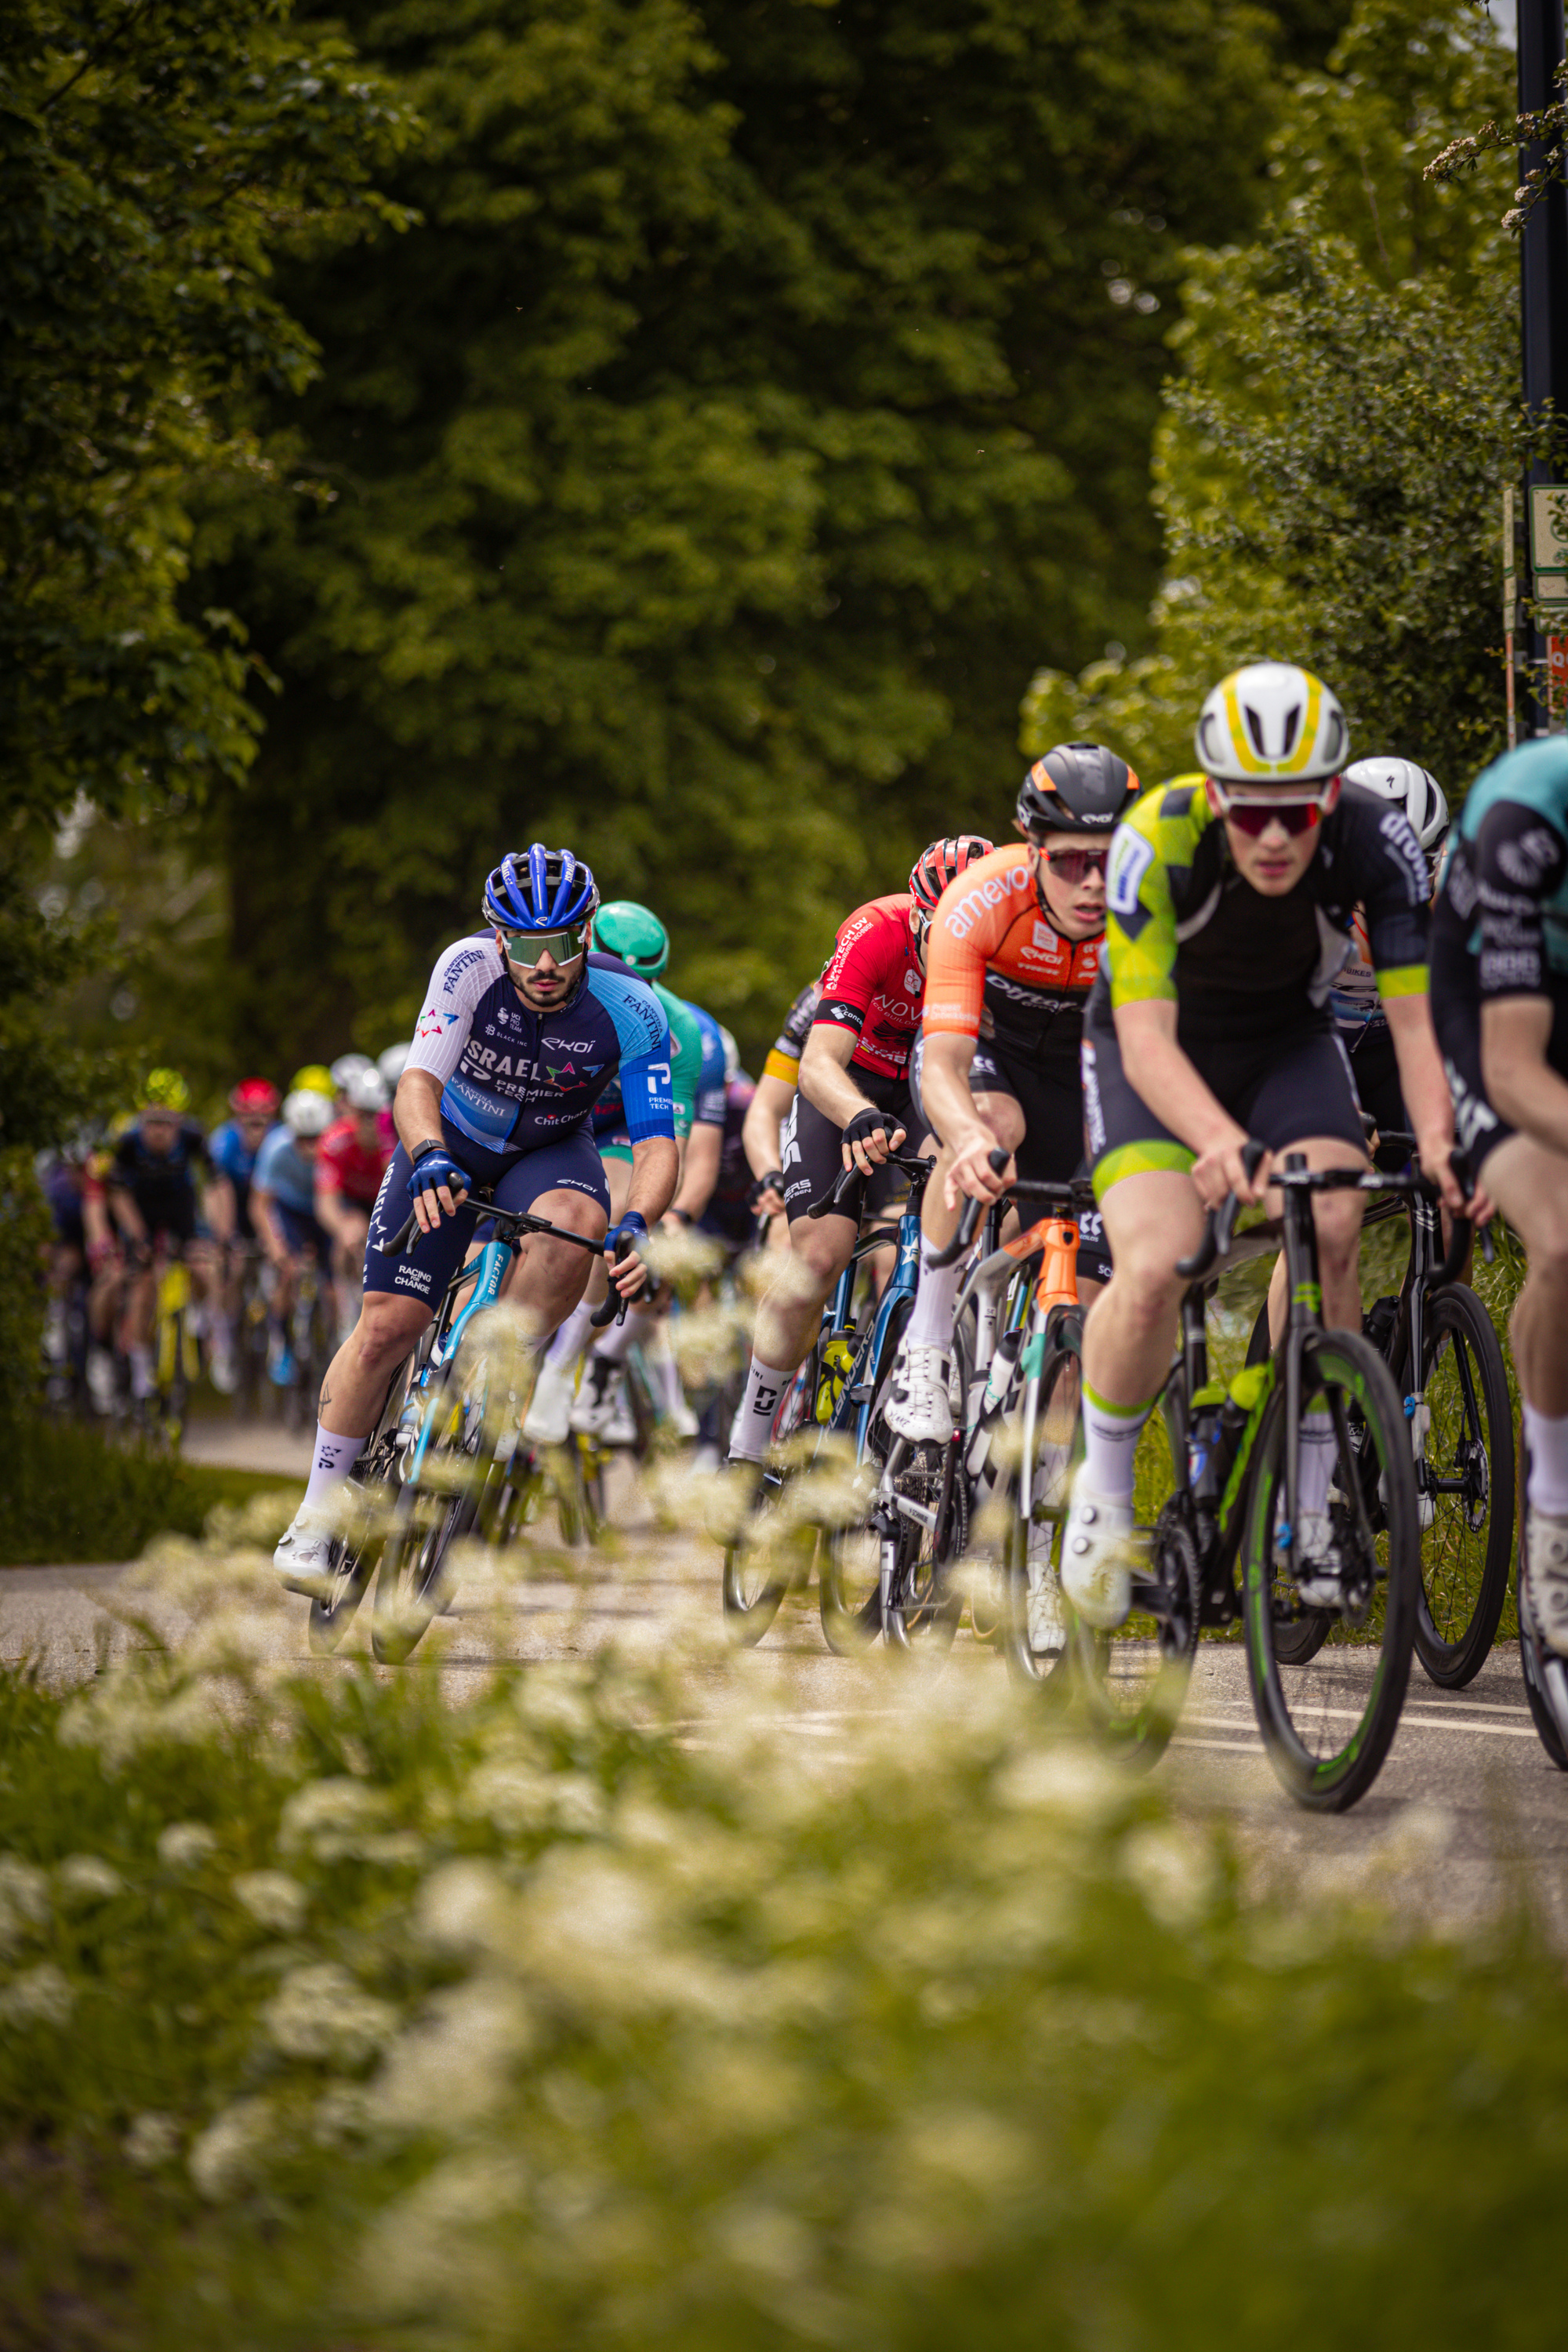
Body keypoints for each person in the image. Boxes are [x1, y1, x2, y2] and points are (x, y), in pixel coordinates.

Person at [1062, 662, 1464, 1630]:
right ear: (1212, 794)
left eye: (1297, 810)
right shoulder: (1156, 838)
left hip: (1289, 1043)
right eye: (1248, 814)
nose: (1274, 836)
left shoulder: (1378, 844)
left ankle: (1310, 1507)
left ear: (1333, 793)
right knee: (1157, 1265)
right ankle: (1103, 1497)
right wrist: (1215, 1141)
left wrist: (1447, 1146)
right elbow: (1148, 1041)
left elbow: (1416, 1029)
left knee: (1330, 1221)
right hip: (1150, 1047)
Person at [272, 844, 678, 1588]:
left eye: (559, 944)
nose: (544, 963)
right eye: (525, 946)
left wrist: (640, 1220)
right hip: (449, 1143)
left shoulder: (632, 1008)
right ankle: (318, 1512)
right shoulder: (466, 968)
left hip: (550, 1152)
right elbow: (418, 1082)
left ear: (585, 934)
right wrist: (427, 1152)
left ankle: (496, 1381)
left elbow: (656, 1142)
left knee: (577, 1230)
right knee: (387, 1327)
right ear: (499, 939)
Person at [887, 747, 1135, 1441]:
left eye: (1109, 861)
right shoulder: (982, 900)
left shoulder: (1150, 912)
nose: (1091, 885)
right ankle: (928, 1347)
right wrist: (964, 1138)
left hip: (1084, 1071)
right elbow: (942, 1064)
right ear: (1033, 849)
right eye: (1068, 861)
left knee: (1082, 1316)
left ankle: (1037, 1514)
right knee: (990, 1123)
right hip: (993, 1060)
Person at [724, 837, 991, 1468]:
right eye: (942, 934)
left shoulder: (996, 957)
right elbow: (817, 1065)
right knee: (818, 1256)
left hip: (930, 1085)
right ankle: (751, 1434)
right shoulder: (876, 930)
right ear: (920, 918)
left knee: (949, 1218)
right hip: (854, 1084)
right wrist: (856, 1115)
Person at [1430, 735, 1568, 1649]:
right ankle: (1550, 1521)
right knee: (1560, 1241)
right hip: (1494, 1027)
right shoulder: (1524, 813)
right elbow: (1513, 1072)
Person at [525, 900, 725, 1445]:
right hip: (551, 1115)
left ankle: (563, 1367)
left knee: (615, 1220)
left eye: (647, 982)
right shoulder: (541, 992)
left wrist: (660, 1218)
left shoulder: (683, 1033)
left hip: (615, 1130)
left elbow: (672, 1148)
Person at [99, 1071, 217, 1408]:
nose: (159, 1131)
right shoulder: (126, 1143)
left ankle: (200, 1324)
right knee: (143, 1287)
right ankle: (140, 1375)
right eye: (151, 1122)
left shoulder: (194, 1138)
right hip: (141, 1215)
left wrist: (216, 1231)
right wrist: (138, 1237)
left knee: (203, 1266)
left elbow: (214, 1184)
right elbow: (118, 1195)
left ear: (179, 1120)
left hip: (182, 1213)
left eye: (167, 1123)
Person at [252, 1088, 336, 1385]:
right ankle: (282, 1344)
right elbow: (259, 1204)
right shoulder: (275, 1148)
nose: (311, 1148)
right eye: (303, 1139)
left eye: (317, 1139)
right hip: (291, 1212)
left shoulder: (337, 1147)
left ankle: (336, 1338)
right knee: (287, 1271)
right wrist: (276, 1249)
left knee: (333, 1282)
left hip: (324, 1209)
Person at [205, 1077, 281, 1391]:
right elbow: (216, 1192)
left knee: (279, 1266)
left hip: (269, 1210)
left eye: (262, 1119)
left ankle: (278, 1337)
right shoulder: (222, 1142)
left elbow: (282, 1196)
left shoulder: (280, 1141)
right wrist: (224, 1238)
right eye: (248, 1119)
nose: (256, 1126)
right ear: (237, 1117)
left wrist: (275, 1240)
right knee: (230, 1269)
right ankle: (223, 1342)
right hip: (231, 1210)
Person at [315, 1065, 395, 1340]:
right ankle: (347, 1313)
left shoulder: (393, 1141)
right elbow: (326, 1203)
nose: (371, 1124)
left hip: (382, 1201)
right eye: (363, 1115)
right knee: (350, 1235)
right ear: (352, 1113)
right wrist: (342, 1228)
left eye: (378, 1116)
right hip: (350, 1203)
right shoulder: (335, 1141)